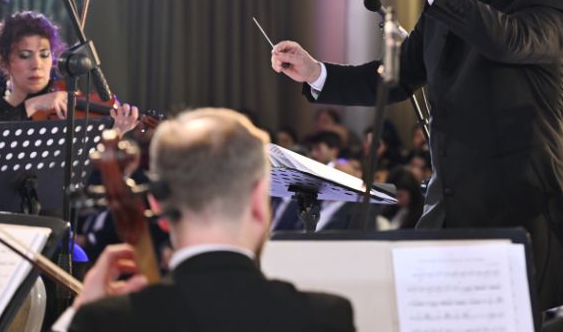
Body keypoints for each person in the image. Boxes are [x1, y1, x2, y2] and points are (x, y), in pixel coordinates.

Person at [270, 0, 563, 310]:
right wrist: (316, 72)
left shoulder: (545, 5)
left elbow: (505, 40)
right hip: (446, 211)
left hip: (517, 214)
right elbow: (396, 77)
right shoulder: (447, 5)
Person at [60, 108, 355, 332]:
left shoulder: (108, 320)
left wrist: (79, 314)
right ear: (259, 202)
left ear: (156, 205)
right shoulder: (327, 317)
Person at [0, 11, 138, 131]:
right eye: (24, 55)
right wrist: (33, 104)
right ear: (5, 62)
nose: (37, 64)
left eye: (44, 54)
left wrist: (116, 133)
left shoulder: (62, 108)